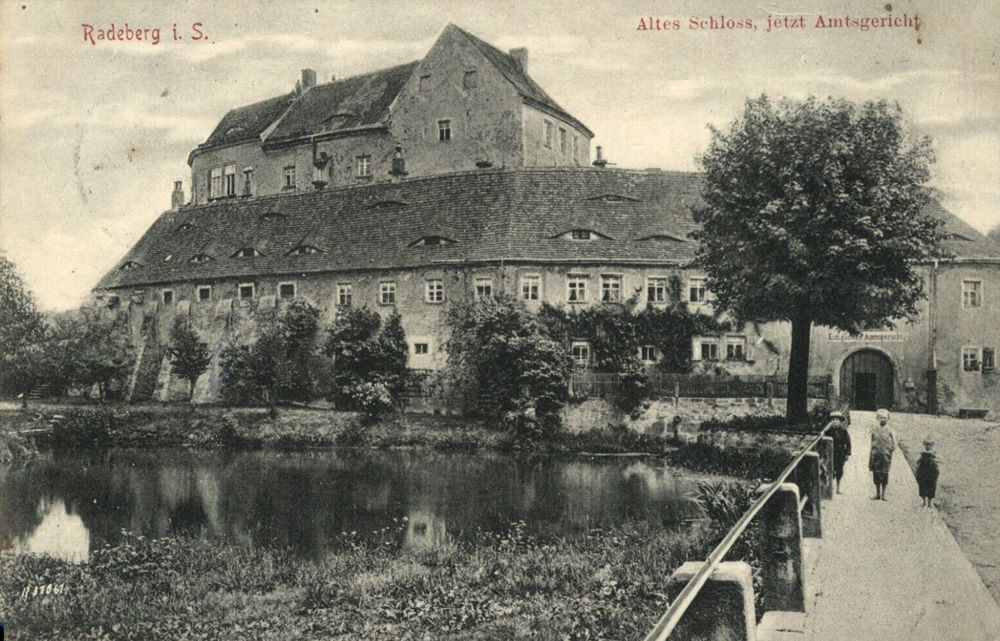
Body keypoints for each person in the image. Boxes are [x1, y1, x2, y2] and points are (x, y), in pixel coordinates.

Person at [868, 408, 897, 500]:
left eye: (885, 418)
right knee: (876, 474)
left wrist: (891, 449)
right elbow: (872, 439)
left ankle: (884, 494)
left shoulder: (890, 429)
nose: (883, 419)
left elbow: (894, 441)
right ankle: (877, 494)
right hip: (876, 455)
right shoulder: (874, 428)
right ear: (877, 418)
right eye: (881, 417)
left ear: (888, 419)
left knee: (884, 474)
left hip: (885, 455)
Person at [828, 411, 852, 494]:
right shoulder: (828, 431)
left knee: (839, 470)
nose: (835, 421)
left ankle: (838, 487)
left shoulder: (843, 431)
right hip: (831, 454)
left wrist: (847, 453)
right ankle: (829, 488)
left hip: (840, 453)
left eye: (837, 420)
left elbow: (848, 442)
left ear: (840, 421)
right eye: (833, 420)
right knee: (830, 470)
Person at [915, 438, 940, 508]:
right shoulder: (922, 453)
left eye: (930, 445)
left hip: (931, 472)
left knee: (931, 485)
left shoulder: (934, 454)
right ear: (925, 445)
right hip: (923, 471)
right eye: (927, 445)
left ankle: (929, 502)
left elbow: (937, 463)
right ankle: (924, 502)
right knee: (922, 485)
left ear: (932, 446)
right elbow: (919, 462)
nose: (928, 446)